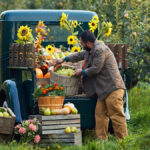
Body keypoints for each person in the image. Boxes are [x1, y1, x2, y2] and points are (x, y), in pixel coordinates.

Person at [54, 30, 128, 140]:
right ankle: (101, 141)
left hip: (113, 88)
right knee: (100, 114)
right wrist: (63, 59)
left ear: (88, 42)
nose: (82, 45)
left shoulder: (100, 50)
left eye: (82, 43)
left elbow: (96, 69)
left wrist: (82, 72)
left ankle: (123, 142)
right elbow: (79, 55)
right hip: (103, 90)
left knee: (116, 115)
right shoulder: (90, 50)